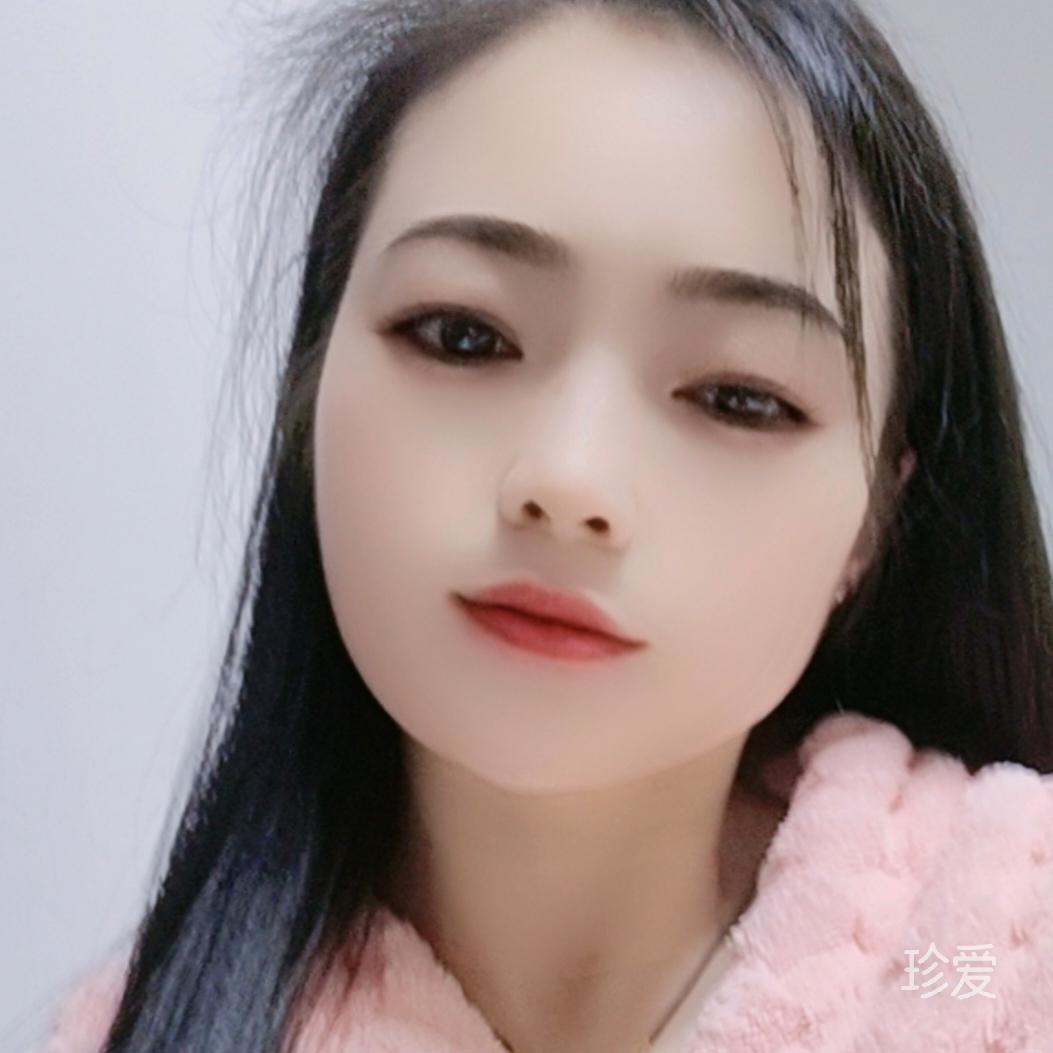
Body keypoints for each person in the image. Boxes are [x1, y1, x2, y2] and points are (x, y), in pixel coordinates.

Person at [41, 0, 1053, 1051]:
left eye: (737, 398)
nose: (570, 480)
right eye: (463, 336)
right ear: (313, 381)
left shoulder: (983, 965)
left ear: (878, 514)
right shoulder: (147, 1027)